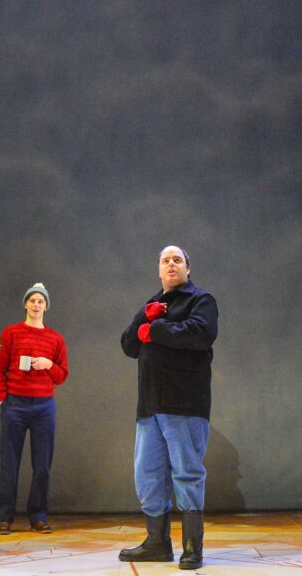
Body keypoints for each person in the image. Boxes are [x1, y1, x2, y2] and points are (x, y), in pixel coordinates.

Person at [118, 245, 218, 571]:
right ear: (159, 269)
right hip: (149, 405)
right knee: (147, 475)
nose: (171, 264)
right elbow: (128, 344)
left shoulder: (201, 300)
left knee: (187, 473)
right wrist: (143, 318)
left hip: (184, 403)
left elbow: (200, 333)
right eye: (165, 260)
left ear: (188, 267)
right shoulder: (152, 304)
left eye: (177, 260)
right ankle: (157, 543)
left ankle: (192, 547)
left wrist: (156, 329)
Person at [0, 282, 70, 534]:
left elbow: (62, 375)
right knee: (9, 463)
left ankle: (38, 516)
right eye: (32, 300)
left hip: (44, 406)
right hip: (14, 404)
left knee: (42, 465)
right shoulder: (10, 333)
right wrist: (3, 399)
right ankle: (4, 517)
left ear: (46, 307)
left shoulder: (56, 339)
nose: (36, 305)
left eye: (40, 301)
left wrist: (48, 364)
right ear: (25, 304)